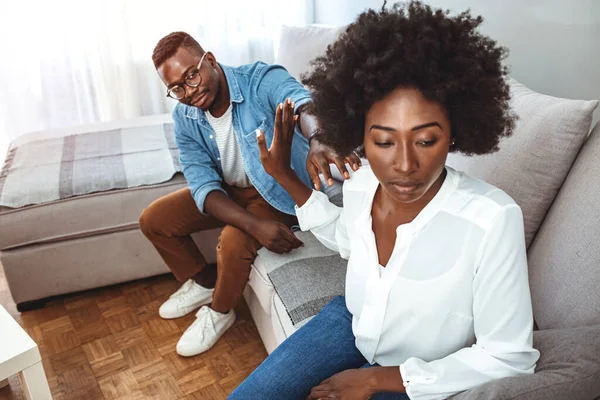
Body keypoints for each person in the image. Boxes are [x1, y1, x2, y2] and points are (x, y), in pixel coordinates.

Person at [230, 2, 540, 399]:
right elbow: (346, 239)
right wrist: (286, 178)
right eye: (384, 141)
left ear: (456, 133)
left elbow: (509, 356)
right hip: (351, 322)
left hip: (422, 365)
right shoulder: (361, 181)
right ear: (359, 130)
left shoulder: (493, 219)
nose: (405, 165)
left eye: (427, 140)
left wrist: (378, 379)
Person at [139, 32, 361, 357]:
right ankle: (203, 282)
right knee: (154, 220)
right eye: (177, 88)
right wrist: (254, 225)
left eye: (192, 75)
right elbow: (202, 184)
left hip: (276, 189)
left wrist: (319, 139)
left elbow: (302, 102)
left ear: (210, 60)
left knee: (232, 243)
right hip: (230, 190)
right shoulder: (184, 117)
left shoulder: (259, 80)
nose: (189, 91)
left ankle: (219, 312)